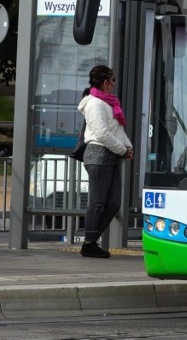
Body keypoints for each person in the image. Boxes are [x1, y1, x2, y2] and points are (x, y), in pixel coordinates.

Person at [77, 65, 133, 258]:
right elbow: (102, 133)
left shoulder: (109, 103)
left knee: (114, 202)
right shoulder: (94, 104)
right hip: (98, 154)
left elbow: (117, 130)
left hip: (111, 156)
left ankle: (90, 240)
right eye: (112, 80)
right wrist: (122, 149)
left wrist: (128, 147)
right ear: (105, 82)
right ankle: (89, 243)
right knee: (98, 202)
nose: (114, 84)